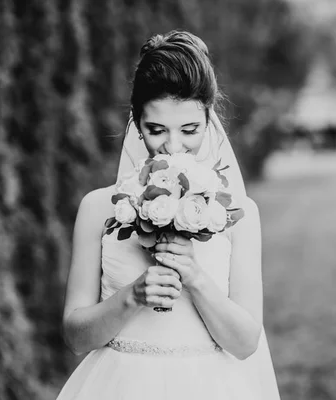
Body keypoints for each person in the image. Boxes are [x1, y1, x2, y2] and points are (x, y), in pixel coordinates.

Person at [56, 30, 281, 400]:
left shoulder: (239, 214)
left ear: (209, 119)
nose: (173, 146)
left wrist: (195, 277)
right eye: (156, 130)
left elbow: (244, 343)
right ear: (136, 123)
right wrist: (132, 296)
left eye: (189, 130)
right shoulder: (99, 208)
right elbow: (76, 338)